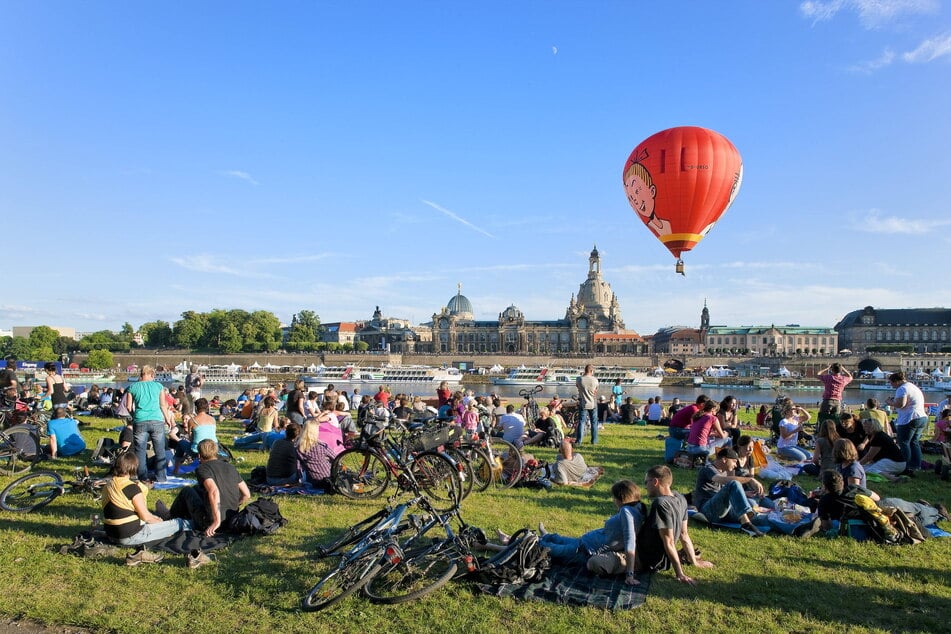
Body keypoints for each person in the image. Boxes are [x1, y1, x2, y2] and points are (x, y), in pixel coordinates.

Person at [497, 480, 646, 585]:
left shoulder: (626, 512)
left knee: (544, 548)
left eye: (614, 498)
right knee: (558, 538)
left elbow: (630, 541)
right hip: (584, 543)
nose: (613, 501)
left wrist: (630, 574)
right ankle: (547, 535)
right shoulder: (637, 508)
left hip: (584, 552)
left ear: (621, 498)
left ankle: (511, 540)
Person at [103, 452, 191, 565]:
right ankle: (197, 526)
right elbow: (145, 517)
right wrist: (160, 522)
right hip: (129, 535)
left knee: (157, 519)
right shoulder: (132, 488)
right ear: (133, 467)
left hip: (111, 533)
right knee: (177, 523)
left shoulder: (109, 485)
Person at [635, 465, 712, 584]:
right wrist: (694, 562)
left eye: (646, 482)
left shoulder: (661, 504)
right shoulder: (680, 498)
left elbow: (669, 541)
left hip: (645, 559)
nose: (645, 486)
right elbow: (684, 534)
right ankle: (685, 557)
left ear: (655, 481)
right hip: (662, 561)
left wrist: (680, 574)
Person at [170, 438, 251, 536]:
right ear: (216, 452)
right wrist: (234, 504)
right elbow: (246, 494)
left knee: (186, 491)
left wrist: (217, 521)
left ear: (199, 456)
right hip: (231, 520)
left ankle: (170, 517)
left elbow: (213, 491)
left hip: (211, 523)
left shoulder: (202, 468)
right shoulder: (230, 467)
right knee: (197, 489)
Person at [692, 447, 767, 537]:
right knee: (734, 483)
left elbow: (724, 492)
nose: (736, 465)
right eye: (734, 461)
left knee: (760, 518)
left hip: (724, 510)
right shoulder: (708, 469)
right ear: (724, 459)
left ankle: (785, 523)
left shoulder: (724, 471)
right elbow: (722, 480)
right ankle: (746, 524)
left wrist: (744, 494)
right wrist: (750, 480)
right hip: (708, 511)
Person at [124, 365, 171, 483]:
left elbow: (128, 406)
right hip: (157, 420)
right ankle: (161, 477)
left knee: (140, 450)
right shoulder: (159, 386)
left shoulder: (132, 387)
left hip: (140, 420)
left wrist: (134, 415)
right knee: (159, 450)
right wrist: (167, 418)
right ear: (152, 374)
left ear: (141, 374)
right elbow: (163, 405)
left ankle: (143, 477)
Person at [886, 371, 928, 475]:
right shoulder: (912, 386)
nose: (891, 386)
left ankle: (906, 466)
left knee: (903, 442)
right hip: (921, 417)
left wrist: (890, 402)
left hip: (909, 418)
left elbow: (901, 404)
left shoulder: (902, 388)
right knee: (914, 442)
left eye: (891, 383)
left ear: (896, 381)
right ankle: (916, 465)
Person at [859, 418, 907, 482]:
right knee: (864, 468)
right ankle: (890, 475)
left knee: (870, 470)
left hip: (896, 463)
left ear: (873, 427)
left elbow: (869, 457)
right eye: (864, 426)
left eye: (866, 427)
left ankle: (894, 479)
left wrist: (857, 464)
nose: (864, 428)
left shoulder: (879, 437)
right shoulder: (872, 436)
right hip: (889, 461)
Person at [297, 419, 335, 490]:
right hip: (328, 477)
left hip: (313, 481)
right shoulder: (321, 446)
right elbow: (336, 458)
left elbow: (298, 467)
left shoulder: (298, 448)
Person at [817, 363, 852, 431]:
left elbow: (818, 374)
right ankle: (834, 433)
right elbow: (850, 376)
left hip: (827, 400)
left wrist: (826, 368)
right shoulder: (843, 379)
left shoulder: (828, 377)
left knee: (823, 418)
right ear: (840, 370)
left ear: (832, 370)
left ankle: (822, 432)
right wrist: (843, 369)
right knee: (835, 420)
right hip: (837, 401)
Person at [266, 421, 301, 486]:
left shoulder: (276, 442)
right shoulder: (295, 447)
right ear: (298, 435)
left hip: (269, 478)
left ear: (286, 432)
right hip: (286, 479)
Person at [575, 364, 599, 444]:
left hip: (583, 402)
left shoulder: (579, 379)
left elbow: (578, 387)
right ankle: (594, 441)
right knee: (594, 422)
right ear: (591, 371)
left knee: (581, 421)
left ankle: (579, 441)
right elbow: (596, 391)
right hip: (592, 402)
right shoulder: (595, 380)